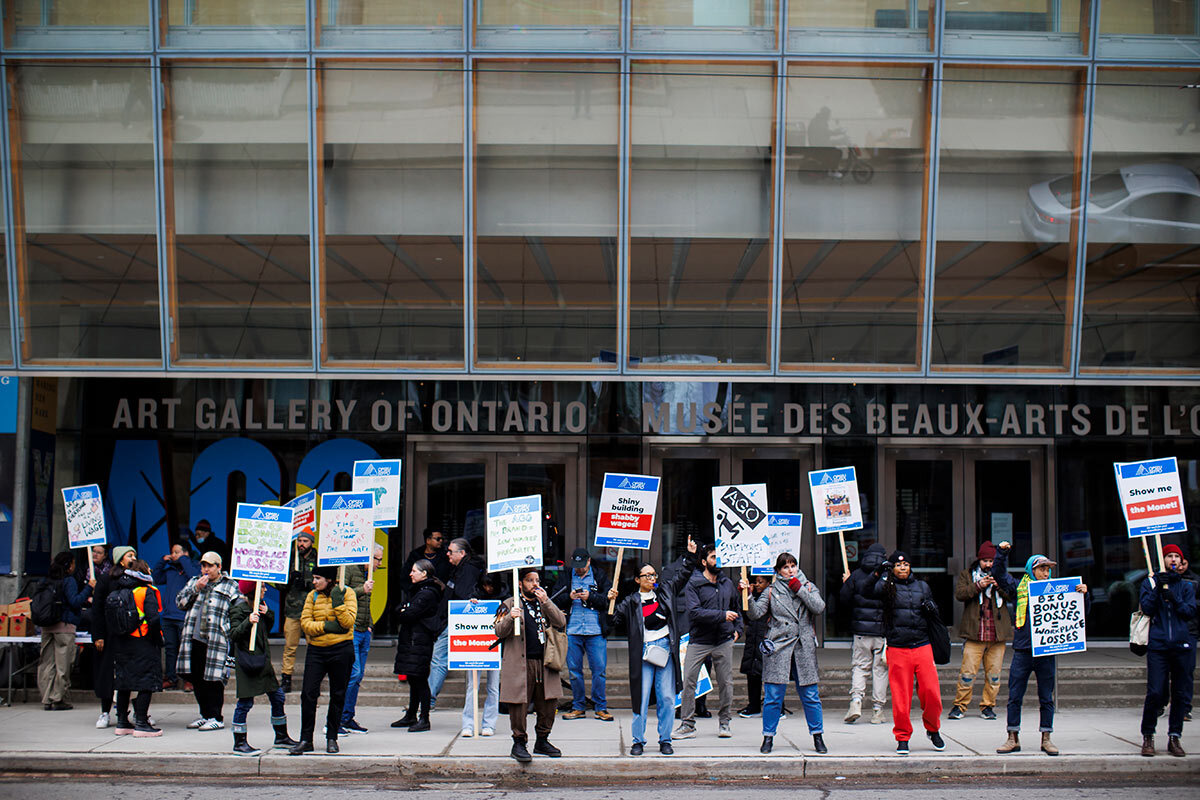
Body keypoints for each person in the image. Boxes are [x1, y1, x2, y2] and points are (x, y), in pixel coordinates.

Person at [993, 541, 1088, 756]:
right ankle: (1012, 737)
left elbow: (1079, 615)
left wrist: (1084, 595)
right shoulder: (1019, 588)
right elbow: (999, 574)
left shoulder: (1059, 590)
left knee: (1046, 697)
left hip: (1046, 651)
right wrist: (1002, 553)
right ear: (1031, 570)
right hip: (1024, 650)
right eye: (1041, 568)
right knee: (1015, 695)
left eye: (1047, 569)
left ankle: (1046, 737)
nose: (1045, 573)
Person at [744, 552, 827, 755]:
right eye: (785, 567)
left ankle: (818, 735)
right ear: (778, 571)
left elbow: (819, 607)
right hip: (779, 646)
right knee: (773, 696)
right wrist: (746, 596)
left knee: (810, 695)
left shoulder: (807, 586)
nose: (790, 571)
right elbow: (756, 613)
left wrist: (799, 590)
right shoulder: (771, 591)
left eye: (793, 566)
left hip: (803, 646)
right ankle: (768, 736)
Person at [868, 550, 944, 755]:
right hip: (898, 647)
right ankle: (902, 737)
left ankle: (933, 729)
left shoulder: (923, 586)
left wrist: (932, 608)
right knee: (901, 698)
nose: (903, 568)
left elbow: (934, 613)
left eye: (906, 564)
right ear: (892, 568)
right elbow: (870, 591)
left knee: (932, 693)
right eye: (898, 565)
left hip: (922, 645)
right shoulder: (887, 586)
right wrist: (881, 573)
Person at [495, 567, 567, 763]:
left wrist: (547, 602)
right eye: (529, 580)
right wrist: (511, 616)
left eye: (537, 580)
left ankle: (542, 740)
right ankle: (519, 742)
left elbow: (560, 621)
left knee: (549, 702)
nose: (535, 584)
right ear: (520, 584)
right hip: (520, 663)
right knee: (519, 704)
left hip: (545, 662)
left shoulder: (544, 603)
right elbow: (498, 631)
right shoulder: (508, 604)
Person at [609, 562, 679, 756]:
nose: (652, 579)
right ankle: (638, 741)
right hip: (643, 653)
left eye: (653, 575)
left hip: (664, 649)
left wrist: (691, 556)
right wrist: (610, 602)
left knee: (666, 696)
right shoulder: (631, 602)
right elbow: (613, 621)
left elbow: (682, 576)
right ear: (637, 579)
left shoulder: (664, 594)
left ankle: (665, 739)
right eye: (646, 575)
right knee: (641, 698)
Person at [675, 542, 743, 741]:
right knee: (688, 681)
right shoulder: (694, 583)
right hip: (699, 640)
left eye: (719, 557)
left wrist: (738, 629)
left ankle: (725, 721)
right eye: (713, 557)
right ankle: (687, 724)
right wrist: (722, 616)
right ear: (704, 561)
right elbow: (694, 613)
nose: (717, 561)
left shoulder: (727, 584)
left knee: (726, 683)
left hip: (723, 640)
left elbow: (737, 608)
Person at [291, 565, 357, 755]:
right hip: (316, 651)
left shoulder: (346, 593)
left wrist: (338, 603)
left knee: (338, 694)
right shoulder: (312, 596)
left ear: (329, 579)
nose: (314, 582)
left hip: (341, 650)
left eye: (318, 578)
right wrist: (328, 626)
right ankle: (306, 739)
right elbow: (306, 624)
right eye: (314, 578)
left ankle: (332, 737)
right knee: (308, 694)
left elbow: (347, 623)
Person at [1138, 543, 1196, 758]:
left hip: (1181, 646)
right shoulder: (1150, 582)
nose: (1173, 559)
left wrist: (1174, 596)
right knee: (1155, 692)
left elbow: (1189, 612)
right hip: (1159, 646)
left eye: (1176, 556)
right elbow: (1147, 608)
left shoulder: (1187, 586)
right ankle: (1148, 735)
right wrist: (1157, 590)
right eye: (1168, 556)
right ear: (1162, 560)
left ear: (1181, 562)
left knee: (1180, 694)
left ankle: (1174, 736)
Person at [229, 580, 298, 755]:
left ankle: (281, 736)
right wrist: (248, 621)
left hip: (263, 662)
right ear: (254, 591)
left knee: (277, 697)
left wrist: (267, 614)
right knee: (245, 702)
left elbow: (266, 627)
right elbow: (234, 634)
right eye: (262, 587)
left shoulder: (261, 606)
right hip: (248, 663)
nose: (265, 590)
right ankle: (239, 742)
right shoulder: (239, 609)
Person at [949, 541, 1014, 721]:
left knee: (994, 675)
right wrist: (979, 585)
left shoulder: (1004, 575)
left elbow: (1013, 594)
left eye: (991, 561)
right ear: (979, 560)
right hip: (975, 634)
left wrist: (999, 584)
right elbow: (960, 594)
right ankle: (959, 705)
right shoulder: (967, 575)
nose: (988, 564)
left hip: (997, 634)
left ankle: (988, 706)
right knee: (967, 673)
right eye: (985, 561)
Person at [176, 550, 240, 731]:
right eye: (203, 565)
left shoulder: (230, 585)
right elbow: (180, 603)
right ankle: (205, 714)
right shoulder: (194, 582)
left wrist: (230, 632)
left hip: (216, 640)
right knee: (197, 678)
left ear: (219, 567)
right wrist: (195, 588)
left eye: (210, 566)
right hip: (195, 638)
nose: (205, 569)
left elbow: (238, 612)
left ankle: (216, 716)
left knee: (214, 679)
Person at [556, 547, 613, 722]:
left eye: (582, 565)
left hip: (595, 629)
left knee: (599, 670)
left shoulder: (600, 575)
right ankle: (578, 706)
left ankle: (600, 707)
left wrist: (591, 596)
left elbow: (608, 601)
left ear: (589, 561)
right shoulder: (566, 576)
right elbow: (555, 599)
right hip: (573, 629)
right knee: (574, 671)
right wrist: (570, 596)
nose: (579, 569)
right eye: (576, 565)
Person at [110, 559, 164, 738]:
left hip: (122, 643)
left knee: (124, 682)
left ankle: (122, 722)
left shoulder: (120, 591)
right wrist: (157, 639)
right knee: (146, 682)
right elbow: (154, 619)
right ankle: (141, 723)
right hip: (143, 641)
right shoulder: (145, 592)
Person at [390, 559, 445, 733]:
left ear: (424, 574)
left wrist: (405, 610)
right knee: (413, 678)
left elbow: (408, 614)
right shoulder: (416, 591)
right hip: (412, 639)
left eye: (414, 571)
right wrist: (404, 609)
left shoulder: (427, 593)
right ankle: (411, 714)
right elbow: (399, 610)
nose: (410, 573)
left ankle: (424, 718)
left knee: (420, 679)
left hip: (419, 640)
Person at [838, 542, 889, 724]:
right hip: (882, 632)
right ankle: (877, 710)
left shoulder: (857, 575)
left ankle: (856, 701)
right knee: (880, 670)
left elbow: (844, 599)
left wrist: (847, 583)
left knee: (860, 667)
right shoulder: (887, 575)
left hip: (860, 632)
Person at [38, 550, 92, 711]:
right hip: (64, 626)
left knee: (47, 663)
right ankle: (58, 698)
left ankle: (46, 698)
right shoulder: (68, 581)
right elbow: (75, 601)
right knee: (63, 664)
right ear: (69, 565)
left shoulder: (46, 580)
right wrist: (89, 588)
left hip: (46, 626)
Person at [91, 544, 137, 729]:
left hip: (130, 634)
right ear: (120, 558)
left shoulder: (137, 578)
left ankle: (128, 712)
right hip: (109, 635)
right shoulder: (105, 579)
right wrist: (98, 635)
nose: (132, 558)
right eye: (129, 555)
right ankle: (104, 711)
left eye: (134, 555)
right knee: (107, 673)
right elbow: (97, 610)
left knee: (130, 674)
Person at [340, 544, 383, 735]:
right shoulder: (349, 569)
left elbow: (366, 603)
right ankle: (337, 719)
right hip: (351, 630)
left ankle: (348, 717)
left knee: (358, 677)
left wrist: (370, 624)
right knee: (353, 674)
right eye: (377, 559)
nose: (379, 563)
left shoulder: (368, 576)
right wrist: (361, 589)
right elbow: (339, 594)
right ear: (367, 557)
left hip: (364, 629)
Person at [462, 569, 505, 738]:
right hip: (477, 647)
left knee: (493, 687)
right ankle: (468, 724)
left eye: (490, 585)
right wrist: (470, 604)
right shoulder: (475, 593)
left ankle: (489, 724)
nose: (487, 589)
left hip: (495, 647)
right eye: (485, 585)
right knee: (472, 687)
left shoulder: (504, 595)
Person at [152, 542, 199, 690]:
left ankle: (189, 680)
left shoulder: (193, 567)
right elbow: (155, 578)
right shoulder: (170, 570)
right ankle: (171, 678)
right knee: (170, 649)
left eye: (176, 552)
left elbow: (194, 577)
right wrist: (162, 561)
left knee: (187, 649)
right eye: (172, 552)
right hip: (168, 616)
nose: (173, 555)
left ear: (186, 553)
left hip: (184, 616)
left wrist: (184, 559)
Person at [281, 530, 317, 693]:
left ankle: (313, 678)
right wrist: (290, 580)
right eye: (299, 541)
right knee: (290, 646)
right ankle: (286, 677)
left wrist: (307, 582)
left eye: (305, 541)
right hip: (293, 609)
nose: (301, 544)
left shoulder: (318, 558)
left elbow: (325, 581)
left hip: (313, 610)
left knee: (315, 645)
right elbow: (279, 585)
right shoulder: (290, 558)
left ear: (311, 542)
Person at [737, 574, 770, 718]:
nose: (757, 585)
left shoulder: (772, 596)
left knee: (771, 675)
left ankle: (776, 707)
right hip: (753, 638)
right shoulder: (752, 597)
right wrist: (745, 594)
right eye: (755, 582)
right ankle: (754, 705)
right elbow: (745, 615)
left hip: (766, 639)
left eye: (760, 582)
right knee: (752, 674)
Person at [1180, 555, 1199, 722]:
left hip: (1189, 630)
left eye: (1181, 561)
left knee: (1187, 671)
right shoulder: (1160, 581)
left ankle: (1185, 708)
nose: (1178, 564)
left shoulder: (1194, 582)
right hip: (1168, 632)